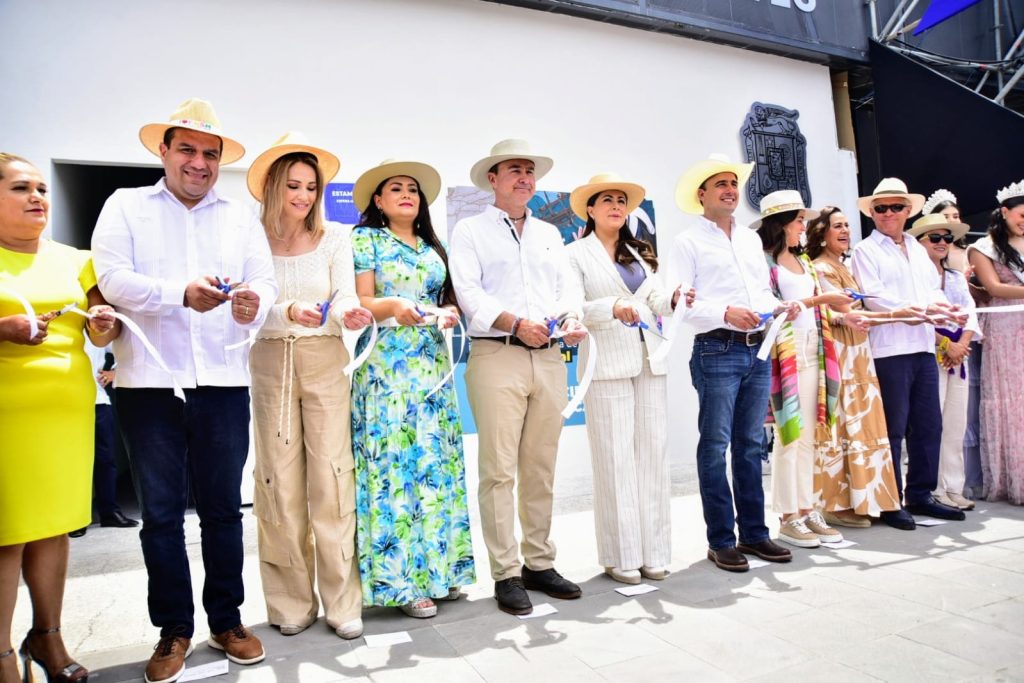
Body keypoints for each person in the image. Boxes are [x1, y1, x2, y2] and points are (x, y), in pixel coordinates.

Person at [91, 98, 277, 683]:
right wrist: (178, 293)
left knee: (223, 510)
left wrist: (254, 303)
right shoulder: (126, 206)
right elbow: (111, 278)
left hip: (221, 379)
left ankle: (227, 621)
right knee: (163, 515)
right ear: (164, 152)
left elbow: (264, 279)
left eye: (210, 154)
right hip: (149, 381)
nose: (199, 163)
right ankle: (174, 630)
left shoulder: (239, 217)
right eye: (188, 150)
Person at [449, 139, 587, 614]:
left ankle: (539, 562)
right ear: (493, 178)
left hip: (549, 357)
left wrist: (569, 318)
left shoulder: (550, 232)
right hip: (497, 353)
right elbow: (467, 292)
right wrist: (514, 323)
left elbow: (565, 288)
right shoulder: (469, 230)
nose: (525, 178)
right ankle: (506, 572)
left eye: (530, 171)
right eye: (514, 170)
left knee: (540, 467)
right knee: (498, 470)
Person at [245, 133, 372, 640]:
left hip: (324, 357)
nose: (303, 196)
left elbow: (342, 297)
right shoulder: (249, 239)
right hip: (270, 358)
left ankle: (343, 601)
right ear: (273, 187)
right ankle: (291, 601)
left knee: (332, 477)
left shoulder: (336, 237)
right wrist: (284, 312)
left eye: (311, 187)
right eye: (293, 185)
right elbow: (248, 303)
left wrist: (350, 313)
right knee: (278, 482)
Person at [0, 152, 119, 683]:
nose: (37, 198)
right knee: (7, 533)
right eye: (21, 188)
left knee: (52, 529)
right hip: (8, 418)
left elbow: (102, 332)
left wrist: (104, 321)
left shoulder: (78, 259)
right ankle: (1, 657)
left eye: (42, 189)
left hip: (66, 414)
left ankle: (46, 638)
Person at [350, 159, 476, 619]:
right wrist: (395, 306)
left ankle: (441, 573)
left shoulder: (430, 246)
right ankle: (402, 583)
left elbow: (445, 301)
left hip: (432, 366)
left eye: (413, 190)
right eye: (396, 188)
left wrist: (448, 312)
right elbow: (362, 300)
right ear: (378, 201)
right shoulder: (365, 239)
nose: (407, 194)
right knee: (394, 469)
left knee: (434, 463)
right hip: (386, 365)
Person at [666, 153, 797, 572]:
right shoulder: (688, 242)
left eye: (733, 183)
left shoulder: (750, 240)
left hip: (757, 348)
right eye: (719, 184)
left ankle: (756, 534)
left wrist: (778, 307)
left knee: (751, 445)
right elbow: (680, 302)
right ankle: (721, 539)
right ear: (701, 195)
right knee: (715, 445)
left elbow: (758, 293)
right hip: (717, 348)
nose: (729, 190)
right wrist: (724, 312)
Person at [565, 173, 680, 583]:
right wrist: (611, 306)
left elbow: (656, 300)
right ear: (590, 210)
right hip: (606, 363)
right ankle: (621, 555)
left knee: (652, 457)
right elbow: (572, 306)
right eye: (607, 200)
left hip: (651, 359)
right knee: (614, 460)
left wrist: (676, 298)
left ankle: (655, 551)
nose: (616, 206)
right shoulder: (574, 255)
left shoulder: (640, 253)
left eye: (621, 200)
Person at [850, 178, 967, 526]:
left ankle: (920, 494)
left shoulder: (917, 249)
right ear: (872, 213)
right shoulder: (864, 251)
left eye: (896, 207)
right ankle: (890, 500)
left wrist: (945, 311)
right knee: (893, 429)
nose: (889, 213)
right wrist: (916, 311)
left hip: (922, 346)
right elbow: (872, 297)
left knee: (929, 425)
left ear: (908, 211)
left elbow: (933, 290)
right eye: (881, 208)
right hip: (889, 350)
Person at [753, 191, 846, 548]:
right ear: (782, 224)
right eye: (798, 221)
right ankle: (787, 515)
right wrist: (821, 300)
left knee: (806, 435)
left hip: (813, 349)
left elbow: (817, 310)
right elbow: (774, 309)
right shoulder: (765, 263)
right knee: (789, 434)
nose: (802, 228)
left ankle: (806, 508)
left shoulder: (803, 261)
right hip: (784, 355)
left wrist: (843, 313)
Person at [805, 207, 902, 528]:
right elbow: (846, 310)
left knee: (861, 425)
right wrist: (909, 314)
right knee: (842, 426)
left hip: (859, 351)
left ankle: (862, 499)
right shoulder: (820, 268)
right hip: (841, 352)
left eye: (847, 225)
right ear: (821, 234)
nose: (845, 230)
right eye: (837, 226)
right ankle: (834, 502)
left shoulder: (844, 266)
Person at [910, 213, 978, 510]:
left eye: (947, 238)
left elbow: (971, 311)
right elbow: (916, 314)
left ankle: (954, 485)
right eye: (935, 238)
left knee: (956, 423)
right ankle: (933, 487)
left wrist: (961, 344)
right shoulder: (917, 277)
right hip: (931, 352)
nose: (942, 243)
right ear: (921, 242)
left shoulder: (954, 277)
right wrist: (946, 344)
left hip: (958, 357)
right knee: (931, 422)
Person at [967, 179, 1024, 504]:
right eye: (1021, 215)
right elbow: (994, 287)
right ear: (1004, 212)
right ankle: (1012, 479)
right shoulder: (983, 248)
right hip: (1005, 326)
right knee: (1012, 401)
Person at [70, 341, 139, 537]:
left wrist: (116, 372)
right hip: (66, 404)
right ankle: (75, 519)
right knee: (74, 463)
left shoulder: (94, 327)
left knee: (106, 460)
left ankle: (110, 512)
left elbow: (125, 345)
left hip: (98, 400)